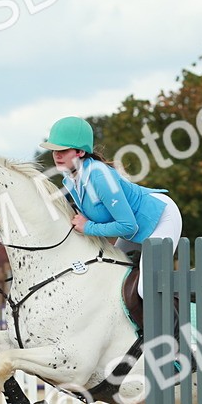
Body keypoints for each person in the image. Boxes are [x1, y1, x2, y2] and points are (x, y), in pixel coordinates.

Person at [40, 116, 182, 295]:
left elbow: (128, 225)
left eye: (63, 150)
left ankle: (180, 309)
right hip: (134, 230)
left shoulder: (100, 178)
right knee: (112, 276)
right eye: (54, 150)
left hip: (160, 218)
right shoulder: (70, 179)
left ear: (80, 152)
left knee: (144, 289)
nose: (57, 155)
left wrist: (88, 227)